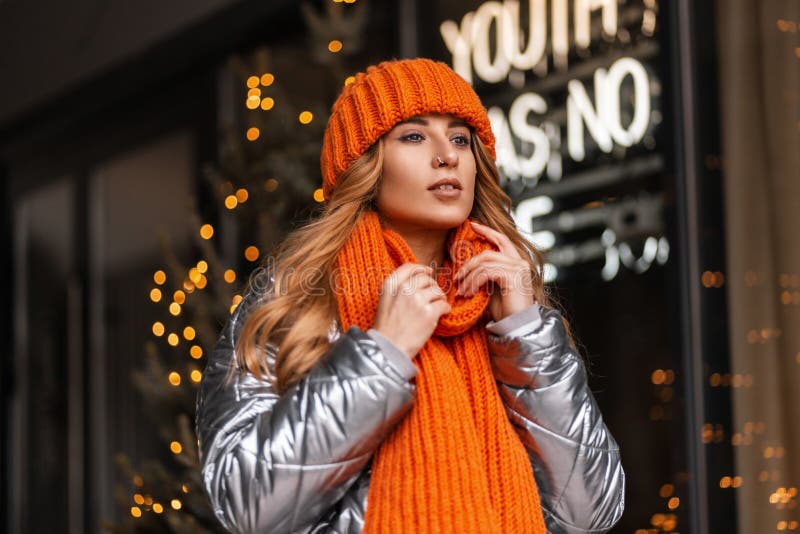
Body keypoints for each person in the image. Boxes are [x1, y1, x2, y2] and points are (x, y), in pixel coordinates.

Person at [196, 58, 625, 534]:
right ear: (366, 165)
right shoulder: (299, 303)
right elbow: (246, 505)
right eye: (414, 136)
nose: (447, 156)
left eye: (460, 137)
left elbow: (591, 514)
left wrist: (526, 338)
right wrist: (381, 356)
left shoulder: (504, 306)